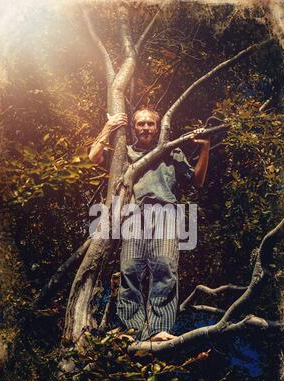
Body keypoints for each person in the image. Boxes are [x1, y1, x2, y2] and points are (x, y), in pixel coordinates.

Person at [89, 108, 210, 342]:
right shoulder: (125, 153)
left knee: (165, 269)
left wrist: (205, 147)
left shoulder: (171, 151)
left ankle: (157, 330)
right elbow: (94, 156)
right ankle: (131, 330)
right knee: (130, 271)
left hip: (166, 213)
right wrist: (109, 126)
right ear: (134, 127)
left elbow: (197, 180)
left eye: (150, 124)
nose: (145, 127)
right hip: (133, 215)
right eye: (140, 124)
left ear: (157, 128)